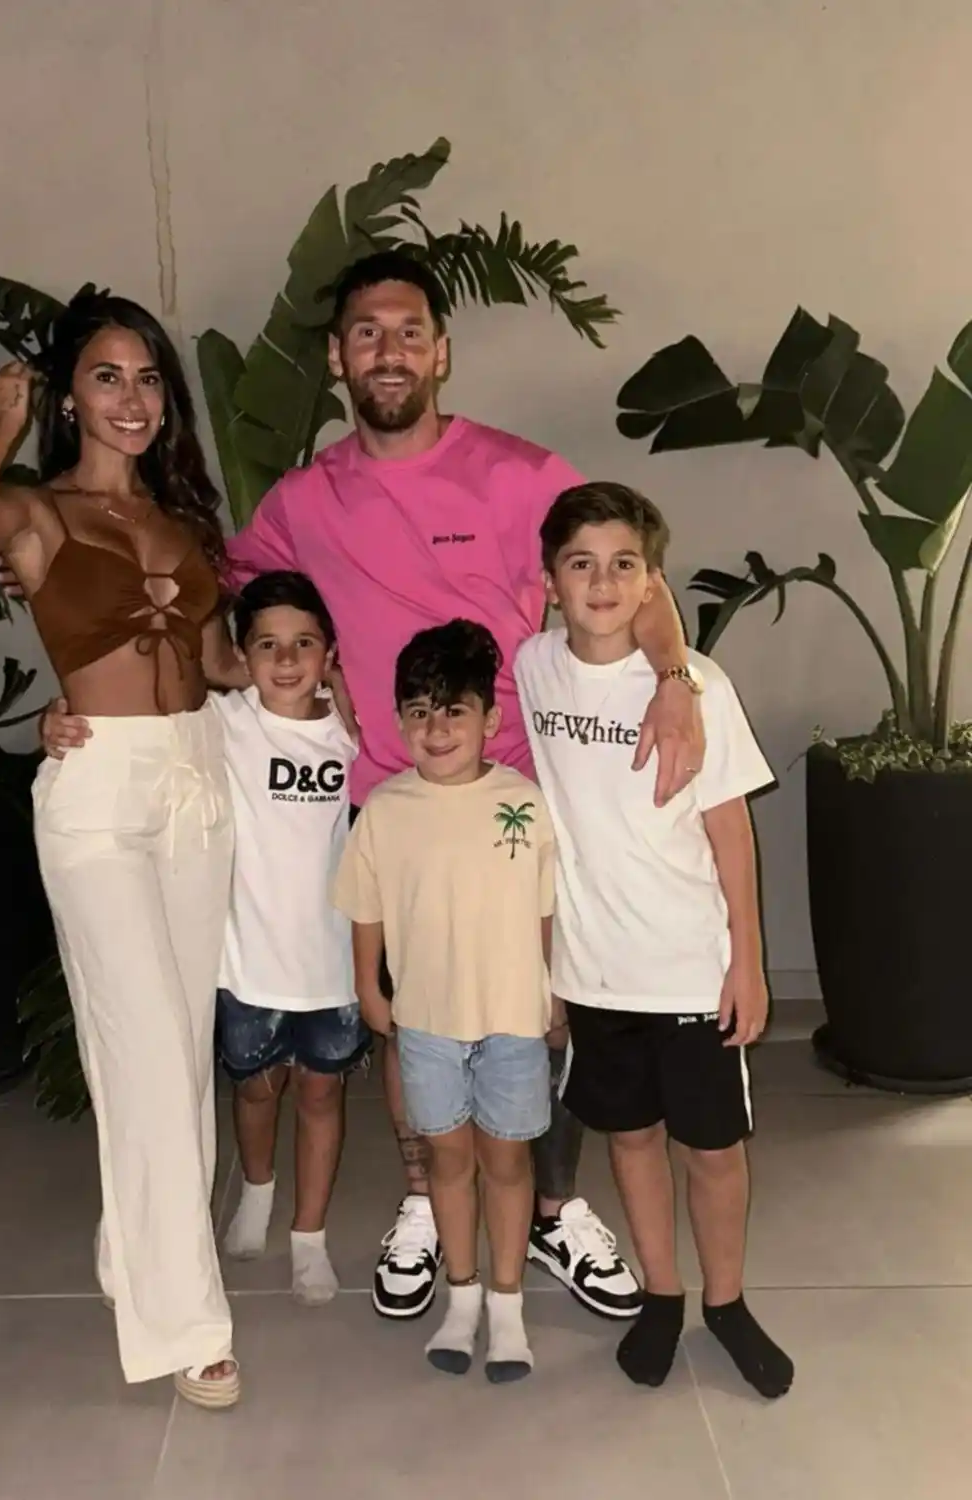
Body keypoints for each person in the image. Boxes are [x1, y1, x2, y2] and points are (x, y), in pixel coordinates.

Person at [225, 251, 705, 1323]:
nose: (388, 351)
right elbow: (236, 602)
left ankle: (551, 1208)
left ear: (441, 352)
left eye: (409, 331)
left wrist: (675, 682)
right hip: (394, 805)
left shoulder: (520, 475)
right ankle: (422, 1201)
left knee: (546, 1008)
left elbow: (636, 577)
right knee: (417, 1018)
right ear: (337, 358)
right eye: (366, 333)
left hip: (524, 795)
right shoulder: (302, 501)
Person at [0, 292, 246, 1408]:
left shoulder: (184, 522)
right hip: (101, 787)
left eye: (148, 378)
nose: (133, 398)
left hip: (197, 774)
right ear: (70, 395)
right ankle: (187, 1322)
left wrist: (313, 672)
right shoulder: (38, 512)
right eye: (107, 377)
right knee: (143, 1044)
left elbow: (219, 661)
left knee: (178, 1047)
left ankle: (136, 1254)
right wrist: (2, 420)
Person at [514, 481, 794, 1399]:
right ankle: (663, 1295)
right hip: (594, 971)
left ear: (651, 580)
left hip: (688, 970)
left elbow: (730, 831)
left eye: (623, 565)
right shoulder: (532, 666)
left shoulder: (698, 685)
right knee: (630, 1138)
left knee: (711, 1149)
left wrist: (747, 962)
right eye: (581, 564)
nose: (602, 583)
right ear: (550, 581)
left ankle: (727, 1302)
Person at [41, 571, 368, 1305]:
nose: (287, 660)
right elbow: (133, 719)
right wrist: (53, 720)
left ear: (329, 653)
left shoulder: (351, 731)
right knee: (255, 1092)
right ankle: (257, 1191)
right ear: (240, 657)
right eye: (268, 645)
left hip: (332, 965)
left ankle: (309, 1236)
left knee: (321, 1097)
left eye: (304, 643)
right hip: (247, 964)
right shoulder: (223, 721)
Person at [333, 620, 557, 1382]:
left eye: (454, 710)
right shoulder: (386, 809)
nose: (436, 729)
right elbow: (365, 908)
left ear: (490, 720)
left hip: (513, 1019)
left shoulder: (523, 802)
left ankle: (507, 1305)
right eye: (420, 711)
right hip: (426, 1022)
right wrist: (368, 986)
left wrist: (554, 993)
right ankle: (461, 1298)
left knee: (508, 1162)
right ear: (399, 721)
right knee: (447, 1161)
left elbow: (546, 909)